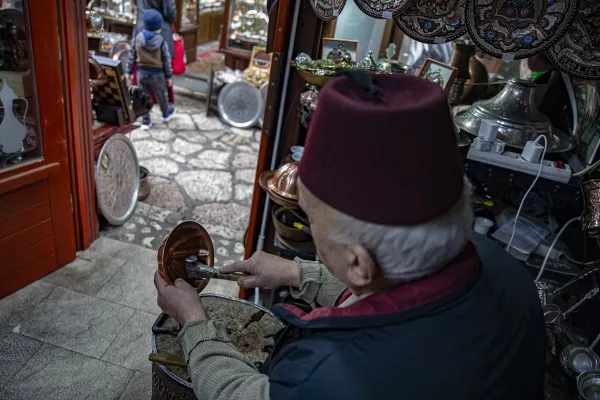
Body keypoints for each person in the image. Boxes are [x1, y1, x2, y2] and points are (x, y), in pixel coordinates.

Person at [154, 72, 546, 400]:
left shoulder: (329, 376)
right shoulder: (509, 273)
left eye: (309, 216)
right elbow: (394, 295)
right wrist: (298, 273)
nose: (308, 225)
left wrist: (193, 319)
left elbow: (241, 393)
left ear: (358, 262)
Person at [126, 9, 175, 129]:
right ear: (158, 26)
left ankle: (146, 120)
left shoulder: (137, 39)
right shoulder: (161, 41)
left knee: (143, 97)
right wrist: (168, 76)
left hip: (141, 73)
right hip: (158, 74)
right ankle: (165, 114)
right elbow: (166, 60)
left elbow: (132, 55)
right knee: (161, 95)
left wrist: (129, 71)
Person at [131, 0, 177, 106]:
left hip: (142, 25)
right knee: (161, 64)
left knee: (140, 65)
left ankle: (141, 102)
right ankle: (163, 105)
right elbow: (170, 13)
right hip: (159, 28)